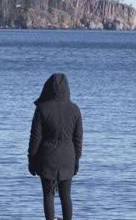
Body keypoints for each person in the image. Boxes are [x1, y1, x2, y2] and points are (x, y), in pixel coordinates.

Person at [28, 73, 83, 220]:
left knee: (48, 195)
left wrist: (31, 160)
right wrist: (76, 161)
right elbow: (78, 140)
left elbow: (35, 138)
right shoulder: (75, 109)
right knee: (66, 196)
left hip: (47, 158)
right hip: (68, 158)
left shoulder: (42, 109)